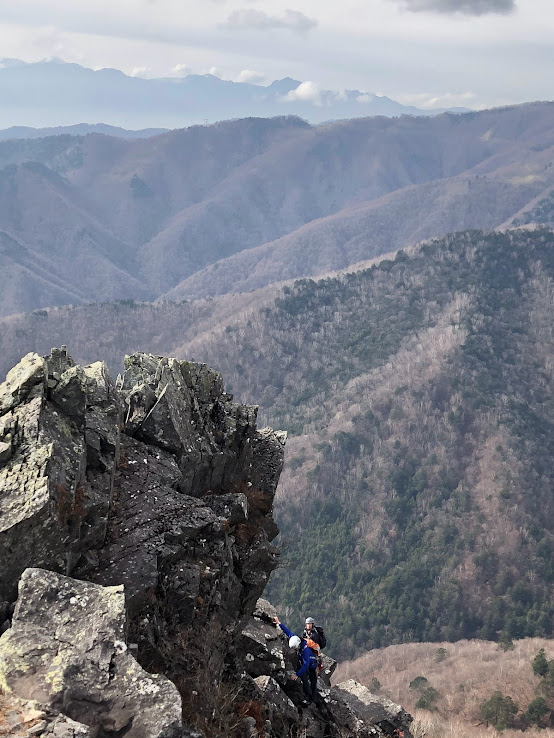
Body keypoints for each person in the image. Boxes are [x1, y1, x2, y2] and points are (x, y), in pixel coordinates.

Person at [274, 616, 319, 705]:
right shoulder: (295, 639)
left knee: (311, 681)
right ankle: (310, 696)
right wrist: (279, 623)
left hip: (312, 664)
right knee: (306, 679)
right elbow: (287, 631)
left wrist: (297, 675)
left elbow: (306, 665)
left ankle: (311, 698)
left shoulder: (305, 650)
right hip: (306, 662)